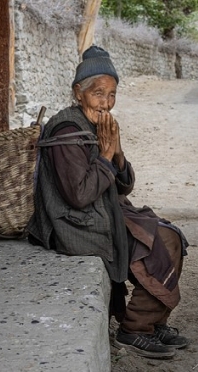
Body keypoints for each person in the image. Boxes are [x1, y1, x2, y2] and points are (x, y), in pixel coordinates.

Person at [26, 45, 189, 359]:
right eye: (98, 93)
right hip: (72, 223)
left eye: (112, 94)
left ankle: (152, 321)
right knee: (159, 241)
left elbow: (125, 185)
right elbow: (79, 195)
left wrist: (116, 151)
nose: (106, 102)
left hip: (102, 210)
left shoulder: (101, 126)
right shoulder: (67, 130)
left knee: (169, 234)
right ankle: (134, 330)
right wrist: (104, 154)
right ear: (79, 92)